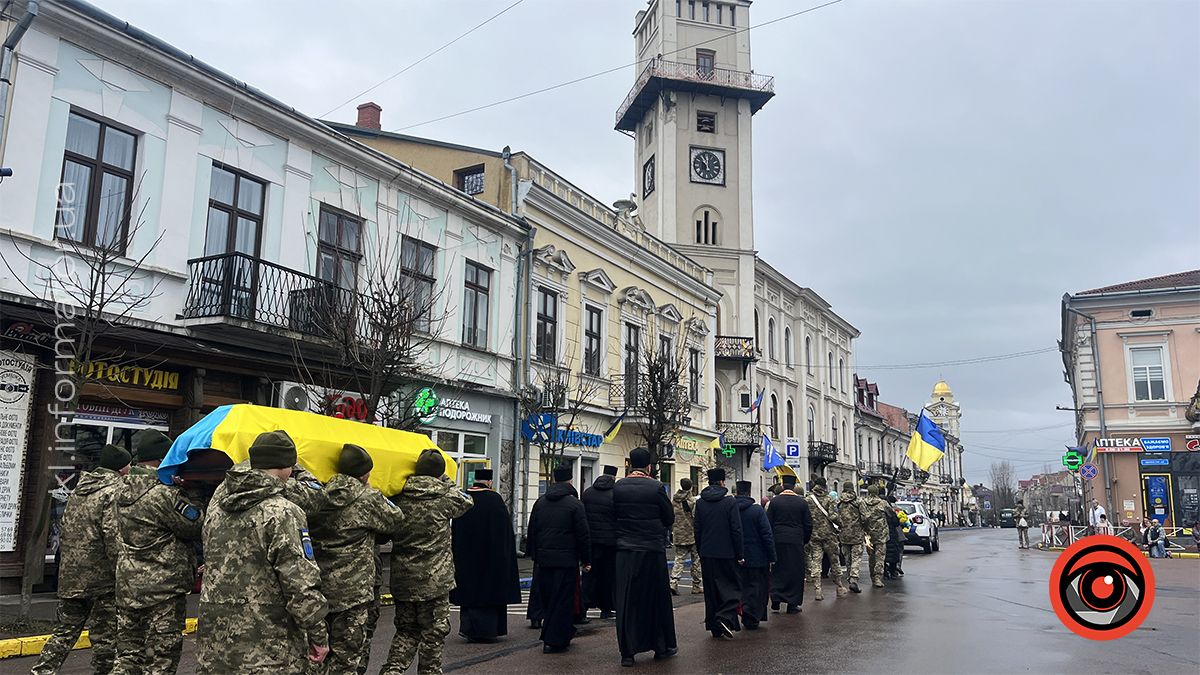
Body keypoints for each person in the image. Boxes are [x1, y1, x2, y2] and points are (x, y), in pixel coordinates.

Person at [197, 430, 329, 673]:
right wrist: (318, 634)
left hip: (215, 643)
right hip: (268, 648)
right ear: (288, 465)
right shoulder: (284, 512)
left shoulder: (218, 503)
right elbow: (300, 584)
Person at [31, 445, 130, 675]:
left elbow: (66, 528)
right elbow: (112, 536)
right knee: (105, 638)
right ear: (122, 467)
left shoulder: (80, 490)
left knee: (64, 632)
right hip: (101, 580)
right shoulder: (113, 492)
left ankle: (42, 671)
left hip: (71, 576)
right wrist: (123, 572)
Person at [308, 444, 406, 673]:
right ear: (365, 473)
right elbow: (396, 519)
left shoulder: (319, 495)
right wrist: (371, 490)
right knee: (347, 657)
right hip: (353, 592)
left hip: (318, 587)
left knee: (317, 654)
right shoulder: (367, 498)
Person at [111, 430, 203, 675]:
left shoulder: (120, 490)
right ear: (164, 459)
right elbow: (195, 526)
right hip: (163, 590)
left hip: (129, 586)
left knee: (127, 656)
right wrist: (193, 493)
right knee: (161, 660)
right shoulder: (164, 495)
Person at [383, 448, 473, 674]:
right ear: (439, 474)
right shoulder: (445, 498)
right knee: (434, 632)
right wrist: (447, 481)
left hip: (403, 580)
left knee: (405, 631)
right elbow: (467, 501)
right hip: (435, 582)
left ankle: (392, 670)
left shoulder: (398, 497)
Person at [612, 447, 677, 667]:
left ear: (630, 464)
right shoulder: (656, 487)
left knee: (627, 601)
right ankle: (660, 646)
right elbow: (669, 517)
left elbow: (612, 516)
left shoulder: (618, 487)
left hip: (625, 550)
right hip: (651, 550)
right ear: (649, 466)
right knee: (655, 600)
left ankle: (627, 653)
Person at [450, 468, 521, 643]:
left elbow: (455, 530)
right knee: (489, 596)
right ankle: (488, 630)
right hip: (491, 558)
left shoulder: (464, 499)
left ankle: (468, 629)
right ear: (489, 482)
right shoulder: (494, 500)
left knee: (470, 595)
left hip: (466, 558)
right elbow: (504, 533)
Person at [526, 466, 591, 653]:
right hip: (566, 561)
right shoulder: (575, 505)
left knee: (549, 598)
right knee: (562, 600)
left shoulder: (540, 502)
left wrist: (534, 555)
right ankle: (555, 639)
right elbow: (583, 535)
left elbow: (533, 530)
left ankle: (554, 634)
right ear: (570, 480)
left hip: (544, 560)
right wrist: (586, 559)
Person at [694, 467, 743, 640]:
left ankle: (714, 626)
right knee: (733, 588)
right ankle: (724, 616)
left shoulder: (700, 502)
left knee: (711, 590)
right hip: (727, 552)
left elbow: (697, 529)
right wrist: (740, 553)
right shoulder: (729, 502)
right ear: (722, 482)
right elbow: (736, 530)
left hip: (707, 552)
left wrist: (701, 550)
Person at [767, 475, 811, 613]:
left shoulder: (775, 502)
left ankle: (776, 599)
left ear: (783, 485)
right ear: (793, 487)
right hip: (795, 540)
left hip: (778, 539)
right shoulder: (802, 503)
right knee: (795, 571)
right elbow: (808, 524)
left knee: (778, 570)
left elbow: (768, 523)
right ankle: (792, 603)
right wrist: (804, 539)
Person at [734, 481, 774, 629]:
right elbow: (766, 534)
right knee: (758, 587)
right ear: (749, 493)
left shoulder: (731, 509)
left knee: (741, 586)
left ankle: (743, 611)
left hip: (737, 556)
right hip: (758, 557)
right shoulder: (757, 510)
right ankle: (753, 615)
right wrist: (772, 556)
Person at [581, 465, 619, 618]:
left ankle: (583, 609)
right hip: (610, 543)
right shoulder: (615, 494)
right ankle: (606, 609)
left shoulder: (588, 493)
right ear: (613, 478)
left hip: (591, 542)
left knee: (589, 575)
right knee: (608, 576)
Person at [806, 476, 845, 600]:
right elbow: (833, 516)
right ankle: (839, 587)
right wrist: (841, 524)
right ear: (824, 486)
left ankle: (818, 590)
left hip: (814, 535)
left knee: (816, 561)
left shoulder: (808, 500)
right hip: (829, 535)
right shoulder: (829, 499)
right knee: (834, 561)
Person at [669, 477, 702, 595]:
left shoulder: (674, 500)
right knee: (696, 560)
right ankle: (696, 585)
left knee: (679, 559)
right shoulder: (692, 502)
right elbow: (696, 518)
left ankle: (674, 582)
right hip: (691, 534)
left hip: (678, 534)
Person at [837, 481, 868, 594]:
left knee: (847, 558)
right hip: (856, 534)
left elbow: (835, 517)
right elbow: (865, 517)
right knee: (856, 558)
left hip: (843, 535)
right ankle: (854, 579)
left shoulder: (838, 502)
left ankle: (850, 580)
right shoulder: (858, 501)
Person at [860, 485, 892, 588]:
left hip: (868, 535)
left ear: (868, 492)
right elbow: (891, 514)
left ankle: (872, 576)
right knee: (880, 556)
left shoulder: (863, 503)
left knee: (871, 556)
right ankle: (878, 578)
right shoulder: (883, 503)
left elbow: (861, 517)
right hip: (881, 534)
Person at [883, 495, 904, 579]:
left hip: (880, 535)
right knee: (893, 553)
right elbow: (896, 523)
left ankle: (884, 572)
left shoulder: (875, 509)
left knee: (882, 554)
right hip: (891, 535)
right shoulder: (890, 510)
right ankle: (892, 571)